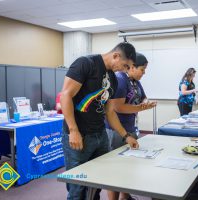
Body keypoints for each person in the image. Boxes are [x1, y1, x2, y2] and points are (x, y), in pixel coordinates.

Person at [60, 42, 139, 200]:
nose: (125, 70)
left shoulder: (113, 79)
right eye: (125, 65)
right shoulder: (86, 64)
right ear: (115, 56)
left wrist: (126, 135)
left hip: (100, 136)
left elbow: (109, 112)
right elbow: (65, 95)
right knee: (77, 189)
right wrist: (73, 130)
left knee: (95, 187)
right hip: (80, 137)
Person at [105, 53, 157, 200]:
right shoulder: (121, 80)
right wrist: (142, 108)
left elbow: (142, 97)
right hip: (116, 129)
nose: (144, 73)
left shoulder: (134, 81)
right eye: (142, 69)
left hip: (130, 127)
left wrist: (146, 102)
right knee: (115, 168)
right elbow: (118, 108)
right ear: (132, 67)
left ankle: (125, 196)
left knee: (126, 165)